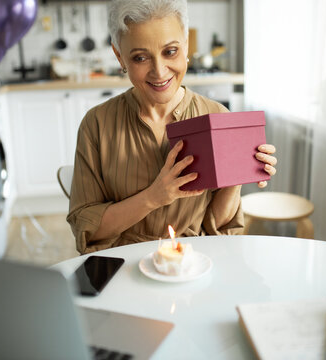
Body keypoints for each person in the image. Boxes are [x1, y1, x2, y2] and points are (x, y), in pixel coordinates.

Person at [68, 0, 277, 254]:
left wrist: (238, 175)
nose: (159, 71)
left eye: (170, 52)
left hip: (194, 263)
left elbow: (220, 231)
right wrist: (153, 197)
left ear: (186, 45)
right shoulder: (96, 125)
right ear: (119, 56)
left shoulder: (216, 116)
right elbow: (85, 229)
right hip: (121, 264)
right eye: (140, 57)